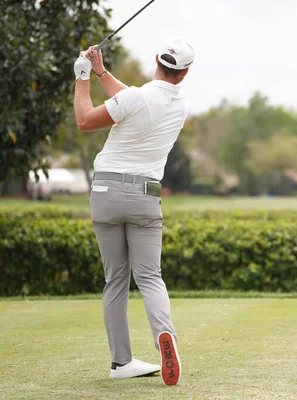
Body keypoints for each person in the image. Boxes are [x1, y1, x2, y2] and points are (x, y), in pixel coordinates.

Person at [72, 38, 194, 386]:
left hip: (107, 193)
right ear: (184, 73)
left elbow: (85, 120)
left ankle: (121, 362)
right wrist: (102, 72)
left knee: (115, 280)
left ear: (157, 60)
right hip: (145, 197)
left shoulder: (135, 97)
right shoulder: (180, 104)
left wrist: (83, 77)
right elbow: (134, 100)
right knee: (150, 277)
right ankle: (164, 336)